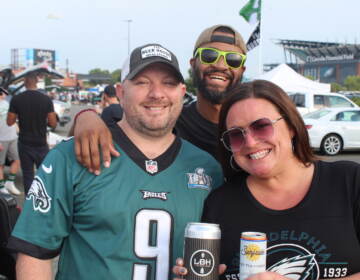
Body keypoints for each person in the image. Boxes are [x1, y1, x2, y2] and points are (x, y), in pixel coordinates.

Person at [7, 43, 223, 280]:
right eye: (142, 82)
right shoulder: (70, 156)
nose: (157, 93)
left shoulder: (206, 167)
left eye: (168, 83)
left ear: (182, 92)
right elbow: (35, 253)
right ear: (120, 92)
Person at [173, 80, 360, 280]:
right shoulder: (219, 204)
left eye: (262, 127)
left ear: (291, 127)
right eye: (236, 135)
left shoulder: (349, 181)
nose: (251, 142)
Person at [71, 24, 247, 173]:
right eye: (210, 55)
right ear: (193, 64)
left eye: (233, 60)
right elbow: (108, 130)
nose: (220, 65)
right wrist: (85, 116)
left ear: (242, 70)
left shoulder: (251, 128)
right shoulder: (167, 120)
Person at [7, 73, 57, 194]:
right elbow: (53, 123)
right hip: (41, 143)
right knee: (44, 175)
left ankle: (30, 206)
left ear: (25, 82)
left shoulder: (17, 99)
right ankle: (45, 204)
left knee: (28, 175)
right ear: (36, 82)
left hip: (24, 143)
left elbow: (9, 122)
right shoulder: (46, 99)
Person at [0, 87, 21, 195]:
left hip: (13, 137)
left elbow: (12, 119)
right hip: (1, 139)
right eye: (4, 93)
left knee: (17, 160)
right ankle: (1, 186)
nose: (5, 94)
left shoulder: (7, 104)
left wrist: (18, 131)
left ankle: (10, 182)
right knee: (1, 164)